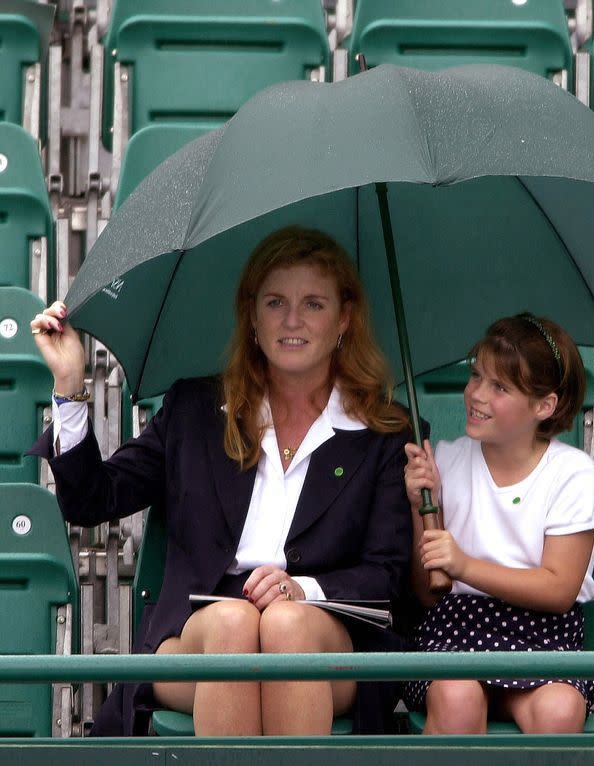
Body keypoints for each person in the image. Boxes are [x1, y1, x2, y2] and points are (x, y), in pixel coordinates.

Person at [29, 226, 414, 736]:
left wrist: (300, 588)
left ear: (344, 317)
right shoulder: (195, 410)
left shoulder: (383, 430)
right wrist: (70, 384)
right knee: (235, 622)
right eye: (275, 302)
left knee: (285, 625)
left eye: (313, 304)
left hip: (324, 628)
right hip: (203, 626)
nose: (292, 320)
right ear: (252, 315)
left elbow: (386, 574)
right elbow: (90, 499)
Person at [403, 314, 594, 735]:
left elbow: (557, 590)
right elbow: (427, 593)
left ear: (544, 406)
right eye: (476, 375)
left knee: (560, 710)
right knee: (457, 698)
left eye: (499, 387)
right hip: (453, 635)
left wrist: (465, 566)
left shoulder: (574, 474)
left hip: (543, 641)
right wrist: (419, 506)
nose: (475, 394)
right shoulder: (446, 461)